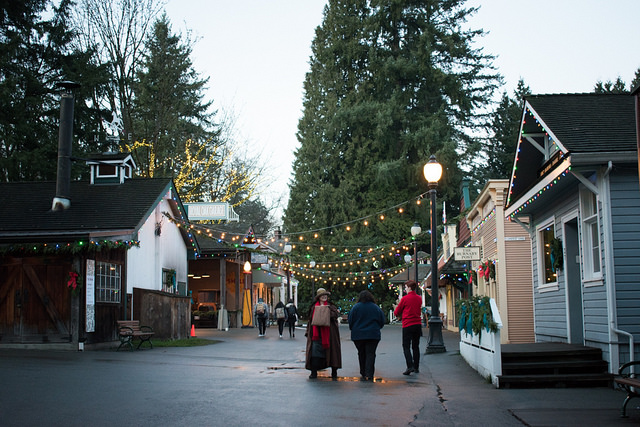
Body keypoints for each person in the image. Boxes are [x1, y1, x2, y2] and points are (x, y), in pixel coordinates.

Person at [348, 290, 385, 381]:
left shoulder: (356, 307)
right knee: (371, 353)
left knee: (361, 353)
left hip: (358, 334)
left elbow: (351, 320)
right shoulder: (375, 307)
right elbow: (382, 320)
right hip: (373, 334)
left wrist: (353, 328)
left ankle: (363, 372)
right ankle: (370, 373)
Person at [305, 288, 342, 379]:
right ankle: (314, 372)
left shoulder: (331, 306)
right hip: (316, 334)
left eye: (325, 295)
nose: (324, 297)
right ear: (319, 297)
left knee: (332, 353)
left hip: (329, 334)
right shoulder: (313, 307)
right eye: (322, 295)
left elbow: (335, 315)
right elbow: (310, 319)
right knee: (315, 353)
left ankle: (334, 372)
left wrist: (327, 312)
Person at [394, 280, 422, 375]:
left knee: (406, 346)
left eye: (406, 287)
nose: (405, 289)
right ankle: (416, 366)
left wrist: (398, 314)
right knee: (415, 346)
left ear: (410, 287)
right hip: (417, 324)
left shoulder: (405, 299)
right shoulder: (419, 298)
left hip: (407, 324)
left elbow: (397, 311)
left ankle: (410, 366)